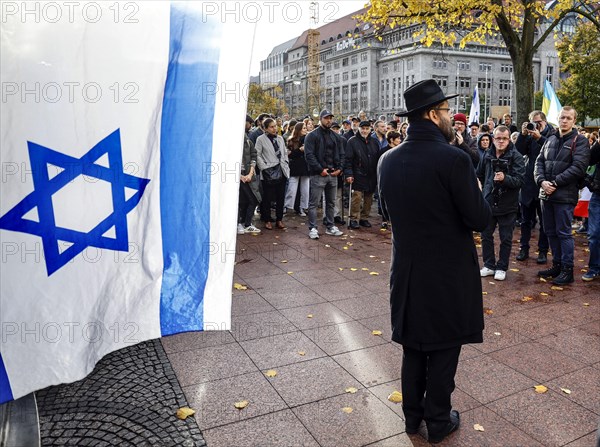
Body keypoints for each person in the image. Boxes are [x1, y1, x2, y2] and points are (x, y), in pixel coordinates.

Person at [378, 79, 491, 444]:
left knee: (414, 346)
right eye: (445, 112)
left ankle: (413, 418)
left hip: (407, 270)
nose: (450, 119)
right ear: (431, 114)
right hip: (447, 272)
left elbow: (385, 211)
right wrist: (475, 189)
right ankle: (439, 420)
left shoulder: (387, 159)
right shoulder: (454, 159)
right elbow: (479, 219)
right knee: (444, 347)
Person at [535, 106, 591, 284]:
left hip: (564, 195)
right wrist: (541, 181)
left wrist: (555, 182)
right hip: (546, 193)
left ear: (574, 120)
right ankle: (557, 265)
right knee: (550, 231)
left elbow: (578, 167)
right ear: (557, 119)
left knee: (564, 233)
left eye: (568, 118)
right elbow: (539, 161)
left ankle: (568, 270)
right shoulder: (550, 137)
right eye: (562, 118)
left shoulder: (580, 140)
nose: (564, 121)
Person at [477, 126, 525, 281]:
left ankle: (502, 267)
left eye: (504, 138)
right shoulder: (487, 154)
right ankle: (489, 265)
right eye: (498, 138)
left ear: (509, 138)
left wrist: (505, 179)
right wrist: (484, 189)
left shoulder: (516, 156)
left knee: (505, 238)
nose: (501, 141)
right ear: (493, 138)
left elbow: (520, 181)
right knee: (486, 235)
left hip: (508, 203)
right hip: (489, 201)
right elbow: (480, 174)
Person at [515, 110, 553, 263]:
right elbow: (518, 151)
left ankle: (543, 251)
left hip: (544, 182)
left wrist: (540, 138)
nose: (535, 126)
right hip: (528, 183)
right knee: (525, 221)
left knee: (544, 221)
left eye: (538, 122)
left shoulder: (553, 134)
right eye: (532, 122)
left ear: (544, 121)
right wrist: (523, 134)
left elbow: (552, 152)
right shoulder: (529, 135)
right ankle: (524, 249)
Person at [304, 109, 345, 239]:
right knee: (314, 203)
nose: (329, 120)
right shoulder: (312, 135)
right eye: (326, 118)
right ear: (320, 119)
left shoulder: (336, 136)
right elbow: (309, 155)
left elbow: (342, 154)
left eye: (330, 118)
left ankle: (330, 225)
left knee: (331, 202)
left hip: (333, 174)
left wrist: (339, 169)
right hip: (318, 174)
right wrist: (320, 169)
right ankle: (313, 228)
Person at [345, 121, 381, 229]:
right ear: (359, 129)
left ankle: (364, 218)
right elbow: (348, 159)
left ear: (370, 129)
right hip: (358, 173)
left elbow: (377, 157)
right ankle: (354, 218)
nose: (364, 131)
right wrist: (349, 173)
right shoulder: (352, 141)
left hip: (371, 174)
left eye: (367, 128)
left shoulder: (374, 142)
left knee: (368, 198)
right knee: (357, 197)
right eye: (363, 128)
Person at [255, 118, 290, 230]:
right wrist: (264, 167)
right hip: (268, 171)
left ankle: (279, 219)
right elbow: (257, 154)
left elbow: (284, 152)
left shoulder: (280, 138)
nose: (274, 128)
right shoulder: (260, 139)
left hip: (282, 170)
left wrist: (285, 163)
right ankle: (267, 219)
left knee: (281, 197)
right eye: (271, 126)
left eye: (275, 126)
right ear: (265, 128)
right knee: (267, 197)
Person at [237, 115, 262, 235]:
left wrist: (250, 173)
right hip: (238, 177)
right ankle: (240, 224)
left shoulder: (247, 139)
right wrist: (240, 176)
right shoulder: (234, 139)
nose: (251, 126)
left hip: (248, 176)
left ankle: (246, 223)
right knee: (241, 200)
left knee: (252, 199)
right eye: (249, 123)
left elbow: (253, 155)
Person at [583, 136, 600, 281]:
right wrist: (598, 142)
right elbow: (589, 160)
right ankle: (594, 268)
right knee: (594, 234)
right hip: (598, 196)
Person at [285, 122, 310, 216]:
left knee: (305, 190)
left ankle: (303, 207)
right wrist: (300, 150)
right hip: (295, 167)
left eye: (305, 128)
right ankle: (288, 206)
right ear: (298, 129)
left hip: (305, 167)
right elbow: (290, 155)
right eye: (303, 128)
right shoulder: (291, 140)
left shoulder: (308, 139)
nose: (305, 130)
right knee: (292, 188)